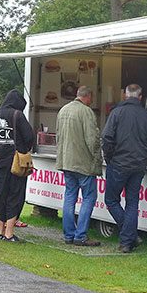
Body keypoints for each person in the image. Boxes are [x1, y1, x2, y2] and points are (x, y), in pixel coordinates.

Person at [101, 84, 147, 253]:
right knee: (132, 202)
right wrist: (144, 156)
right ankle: (129, 238)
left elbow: (106, 138)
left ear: (125, 95)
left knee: (111, 200)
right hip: (138, 166)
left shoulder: (117, 113)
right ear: (140, 97)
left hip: (118, 164)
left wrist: (110, 157)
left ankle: (129, 237)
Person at [0, 89, 34, 242]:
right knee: (15, 194)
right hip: (15, 161)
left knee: (1, 194)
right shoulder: (17, 115)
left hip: (1, 161)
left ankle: (1, 230)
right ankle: (9, 233)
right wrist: (23, 149)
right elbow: (29, 136)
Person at [56, 86, 101, 246]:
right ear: (88, 97)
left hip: (67, 162)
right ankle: (80, 235)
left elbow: (58, 136)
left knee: (69, 197)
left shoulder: (63, 110)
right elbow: (92, 139)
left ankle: (68, 235)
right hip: (83, 164)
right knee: (89, 197)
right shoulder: (86, 112)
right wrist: (98, 158)